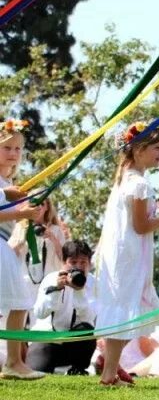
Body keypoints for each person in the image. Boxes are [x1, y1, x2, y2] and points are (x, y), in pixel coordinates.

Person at [94, 122, 159, 387]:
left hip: (125, 251)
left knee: (125, 309)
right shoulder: (139, 184)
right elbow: (141, 226)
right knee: (126, 309)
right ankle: (109, 370)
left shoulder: (126, 177)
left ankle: (110, 369)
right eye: (156, 148)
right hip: (129, 254)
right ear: (139, 149)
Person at [0, 119, 49, 380]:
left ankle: (13, 362)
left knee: (18, 303)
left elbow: (7, 195)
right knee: (18, 303)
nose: (13, 154)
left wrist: (26, 207)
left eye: (18, 149)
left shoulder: (6, 183)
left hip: (3, 246)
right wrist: (23, 211)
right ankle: (13, 362)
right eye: (8, 148)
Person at [27, 239, 97, 374]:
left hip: (74, 342)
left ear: (89, 263)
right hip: (46, 338)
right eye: (73, 262)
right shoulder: (51, 278)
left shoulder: (94, 283)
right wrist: (56, 291)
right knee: (38, 371)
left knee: (86, 330)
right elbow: (39, 313)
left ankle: (78, 368)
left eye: (83, 262)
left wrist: (79, 291)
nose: (78, 267)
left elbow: (90, 320)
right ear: (64, 263)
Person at [9, 195, 66, 294]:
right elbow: (8, 256)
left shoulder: (56, 230)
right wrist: (21, 241)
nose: (38, 207)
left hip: (49, 283)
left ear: (47, 207)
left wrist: (53, 238)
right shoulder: (19, 228)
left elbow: (64, 258)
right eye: (34, 204)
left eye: (41, 204)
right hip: (24, 283)